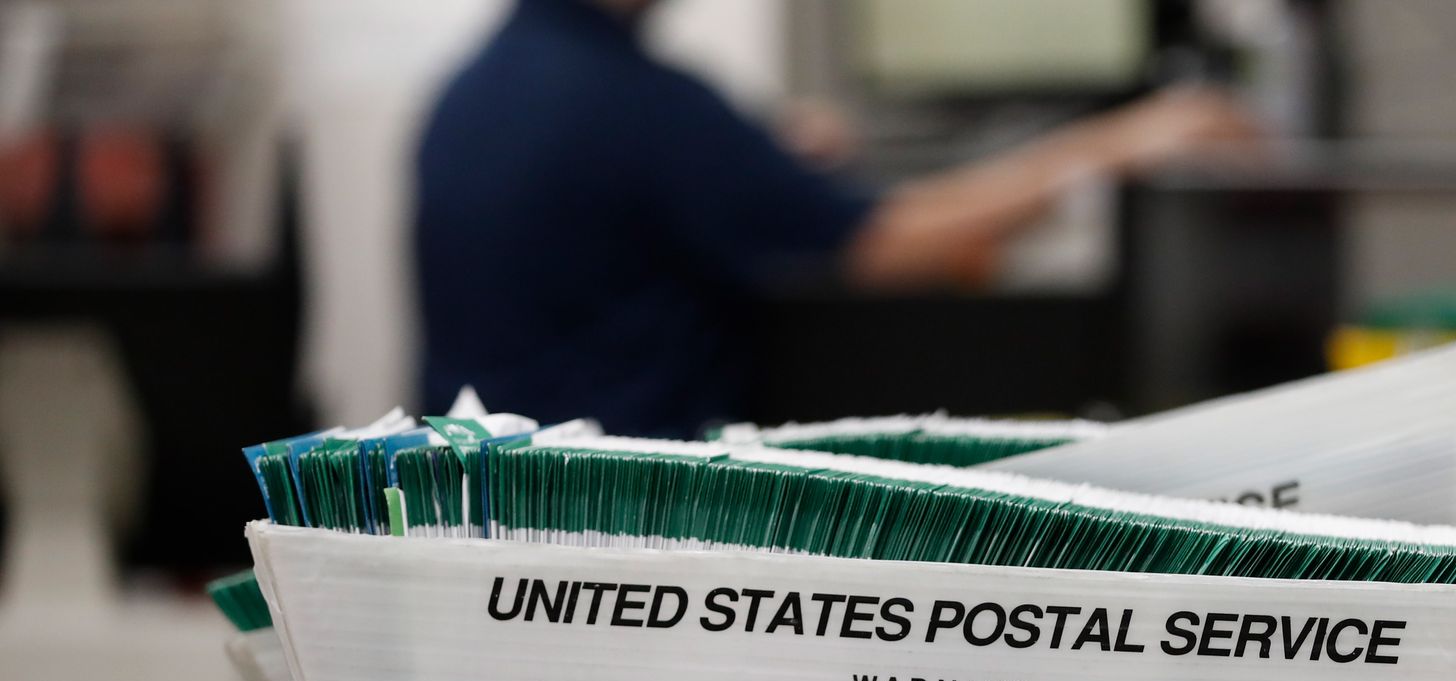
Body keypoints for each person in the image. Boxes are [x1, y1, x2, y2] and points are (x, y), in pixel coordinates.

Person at [415, 0, 1255, 437]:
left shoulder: (478, 88)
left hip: (491, 488)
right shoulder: (637, 105)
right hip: (619, 502)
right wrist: (1122, 143)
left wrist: (756, 156)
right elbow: (886, 242)